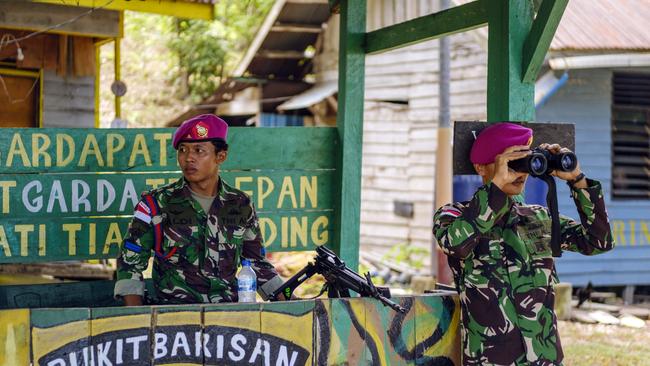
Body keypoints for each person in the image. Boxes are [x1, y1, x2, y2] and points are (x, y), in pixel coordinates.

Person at [433, 123, 614, 365]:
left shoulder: (537, 217)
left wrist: (578, 181)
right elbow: (457, 245)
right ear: (480, 167)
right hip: (491, 359)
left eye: (525, 163)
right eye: (511, 164)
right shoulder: (453, 216)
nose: (522, 173)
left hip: (543, 357)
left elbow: (598, 241)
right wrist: (495, 187)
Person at [114, 114, 286, 305]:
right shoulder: (155, 204)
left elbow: (256, 263)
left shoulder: (240, 204)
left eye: (199, 150)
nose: (188, 158)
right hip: (173, 317)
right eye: (183, 150)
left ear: (220, 156)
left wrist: (291, 301)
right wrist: (137, 319)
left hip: (229, 316)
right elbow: (129, 263)